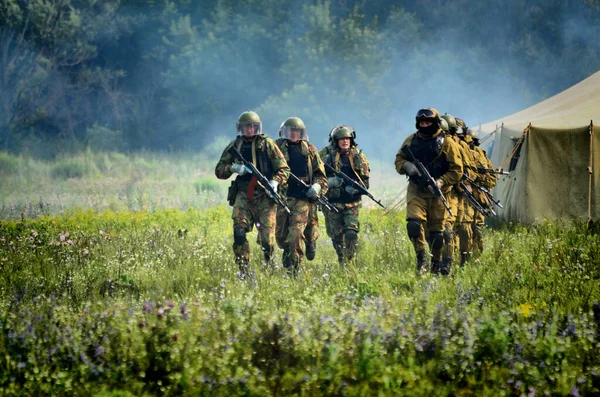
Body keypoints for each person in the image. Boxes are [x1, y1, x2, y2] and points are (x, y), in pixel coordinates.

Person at [215, 110, 290, 278]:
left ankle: (269, 262)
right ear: (240, 128)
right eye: (246, 127)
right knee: (239, 232)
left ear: (258, 127)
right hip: (243, 195)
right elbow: (219, 171)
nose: (249, 130)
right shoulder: (235, 146)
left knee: (267, 241)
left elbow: (284, 169)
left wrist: (275, 182)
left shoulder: (268, 144)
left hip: (265, 197)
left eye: (253, 127)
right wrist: (233, 168)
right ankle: (243, 269)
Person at [395, 108, 463, 274]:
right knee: (413, 224)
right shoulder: (411, 140)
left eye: (428, 122)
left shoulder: (447, 143)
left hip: (439, 194)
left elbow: (457, 170)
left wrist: (441, 182)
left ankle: (436, 263)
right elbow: (399, 160)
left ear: (436, 123)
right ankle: (421, 257)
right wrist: (407, 166)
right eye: (422, 122)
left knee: (437, 234)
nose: (425, 125)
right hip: (417, 190)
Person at [274, 117, 328, 274]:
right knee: (280, 236)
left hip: (303, 198)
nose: (293, 134)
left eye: (297, 131)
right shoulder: (276, 148)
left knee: (296, 233)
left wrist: (317, 187)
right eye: (290, 131)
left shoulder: (310, 151)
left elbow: (321, 176)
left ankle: (294, 268)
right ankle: (288, 250)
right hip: (282, 197)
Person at [321, 125, 370, 264]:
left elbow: (366, 181)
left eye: (347, 138)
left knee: (350, 233)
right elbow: (315, 176)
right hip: (332, 202)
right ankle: (342, 259)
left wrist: (356, 189)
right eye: (341, 139)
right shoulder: (325, 156)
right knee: (336, 237)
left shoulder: (358, 157)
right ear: (335, 140)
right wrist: (328, 183)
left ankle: (350, 259)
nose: (345, 141)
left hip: (352, 203)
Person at [467, 127, 498, 254]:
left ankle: (476, 255)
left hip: (479, 197)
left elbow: (492, 178)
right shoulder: (460, 152)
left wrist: (480, 177)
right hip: (463, 195)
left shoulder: (482, 155)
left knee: (477, 228)